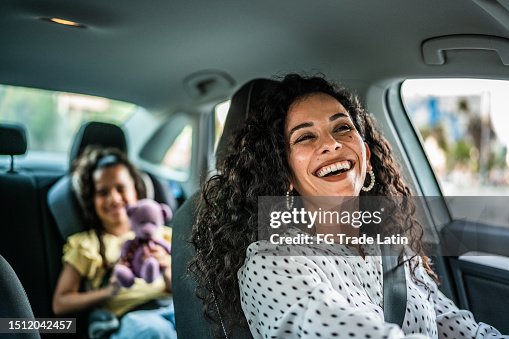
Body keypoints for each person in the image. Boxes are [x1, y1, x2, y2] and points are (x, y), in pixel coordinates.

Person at [190, 74, 507, 338]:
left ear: (366, 155)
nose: (330, 143)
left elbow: (461, 329)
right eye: (305, 137)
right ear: (284, 174)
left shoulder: (394, 252)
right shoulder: (271, 265)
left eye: (342, 127)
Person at [52, 146, 177, 338]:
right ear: (91, 200)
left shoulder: (164, 236)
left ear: (136, 190)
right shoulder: (87, 245)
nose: (114, 198)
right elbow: (60, 303)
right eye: (102, 192)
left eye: (121, 188)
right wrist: (108, 292)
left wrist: (167, 268)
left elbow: (183, 292)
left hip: (170, 309)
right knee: (157, 331)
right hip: (129, 319)